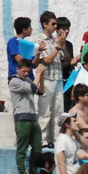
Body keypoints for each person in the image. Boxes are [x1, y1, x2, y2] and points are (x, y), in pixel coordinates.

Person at [9, 58, 43, 174]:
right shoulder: (14, 81)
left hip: (32, 117)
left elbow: (40, 91)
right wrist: (38, 74)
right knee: (22, 148)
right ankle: (22, 173)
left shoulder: (27, 80)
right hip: (22, 117)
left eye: (28, 71)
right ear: (17, 69)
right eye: (24, 71)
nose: (26, 73)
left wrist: (42, 77)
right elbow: (33, 88)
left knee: (38, 147)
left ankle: (33, 172)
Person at [35, 11, 65, 147]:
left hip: (58, 78)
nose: (55, 27)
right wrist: (57, 47)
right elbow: (46, 60)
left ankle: (57, 140)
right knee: (45, 111)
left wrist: (61, 44)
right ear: (44, 24)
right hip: (46, 79)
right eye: (53, 24)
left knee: (58, 111)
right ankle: (42, 140)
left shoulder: (54, 40)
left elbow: (63, 59)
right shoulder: (40, 40)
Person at [57, 16, 80, 111]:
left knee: (68, 107)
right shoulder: (52, 43)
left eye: (68, 29)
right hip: (57, 79)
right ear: (57, 29)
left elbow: (70, 61)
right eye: (63, 29)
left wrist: (64, 48)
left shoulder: (69, 44)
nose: (66, 31)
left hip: (67, 80)